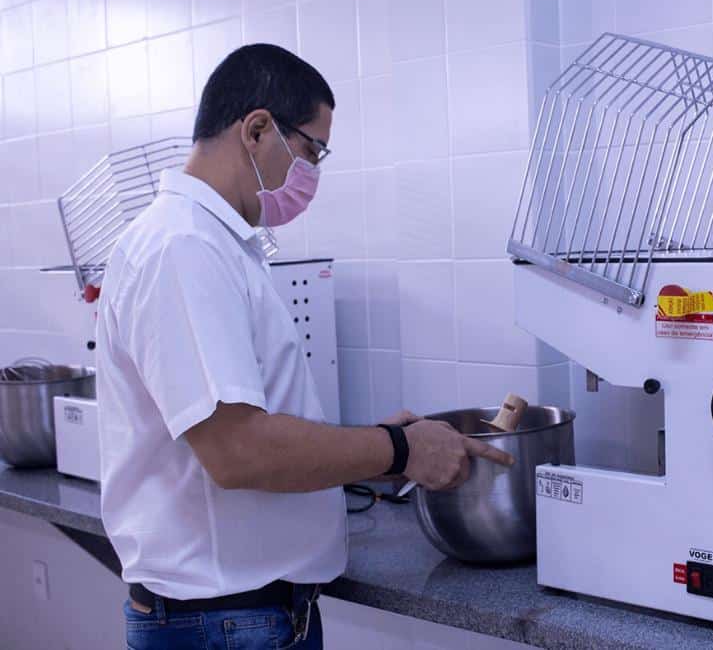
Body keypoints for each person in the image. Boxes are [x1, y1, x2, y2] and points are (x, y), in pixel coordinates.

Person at [94, 43, 514, 650]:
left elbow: (250, 425)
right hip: (221, 623)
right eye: (312, 150)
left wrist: (377, 446)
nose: (313, 172)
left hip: (244, 616)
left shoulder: (214, 244)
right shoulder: (183, 248)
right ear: (257, 129)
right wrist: (400, 448)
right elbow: (238, 451)